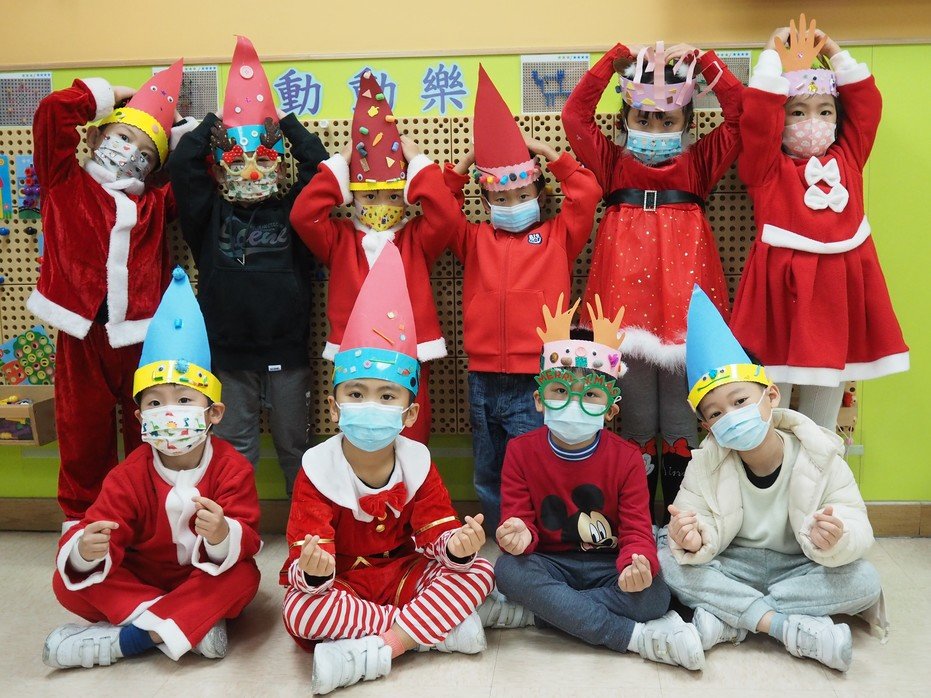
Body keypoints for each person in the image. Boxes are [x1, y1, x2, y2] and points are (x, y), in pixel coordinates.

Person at [279, 243, 494, 694]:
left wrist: (458, 546)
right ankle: (433, 630)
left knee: (480, 571)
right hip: (342, 585)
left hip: (404, 574)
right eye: (356, 394)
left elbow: (437, 533)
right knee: (300, 611)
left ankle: (384, 647)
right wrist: (314, 570)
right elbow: (305, 558)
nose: (370, 405)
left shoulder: (417, 462)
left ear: (409, 414)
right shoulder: (317, 469)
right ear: (334, 407)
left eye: (387, 396)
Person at [658, 284, 885, 672]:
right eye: (715, 413)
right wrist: (692, 538)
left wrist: (837, 536)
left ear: (772, 396)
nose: (730, 416)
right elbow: (695, 521)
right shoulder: (705, 463)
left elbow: (856, 522)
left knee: (865, 580)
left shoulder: (818, 453)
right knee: (667, 563)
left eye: (740, 401)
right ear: (707, 426)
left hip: (799, 566)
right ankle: (782, 627)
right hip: (733, 564)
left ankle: (733, 619)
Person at [562, 41, 743, 523]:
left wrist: (707, 62)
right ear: (626, 119)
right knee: (637, 414)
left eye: (667, 121)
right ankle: (640, 522)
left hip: (685, 302)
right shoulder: (612, 162)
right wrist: (612, 61)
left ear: (686, 122)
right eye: (643, 120)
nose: (655, 130)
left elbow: (742, 117)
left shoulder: (699, 162)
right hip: (625, 302)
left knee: (684, 415)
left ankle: (683, 520)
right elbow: (575, 118)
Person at [44, 268, 262, 669]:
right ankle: (185, 623)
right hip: (140, 580)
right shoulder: (128, 475)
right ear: (140, 416)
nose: (170, 412)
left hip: (201, 577)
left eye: (184, 400)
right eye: (156, 403)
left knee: (244, 578)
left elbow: (246, 538)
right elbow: (99, 530)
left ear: (214, 413)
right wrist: (88, 551)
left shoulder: (232, 469)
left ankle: (128, 641)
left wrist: (222, 535)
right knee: (67, 582)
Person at [492, 295, 704, 670]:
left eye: (590, 395)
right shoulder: (520, 452)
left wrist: (637, 563)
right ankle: (632, 637)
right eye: (560, 391)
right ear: (539, 400)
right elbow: (519, 520)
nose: (574, 402)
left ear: (610, 410)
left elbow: (637, 529)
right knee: (507, 570)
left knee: (655, 595)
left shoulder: (627, 458)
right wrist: (519, 534)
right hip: (550, 563)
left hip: (607, 565)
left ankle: (542, 612)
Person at [27, 61, 196, 526]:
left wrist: (182, 133)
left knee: (152, 429)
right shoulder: (64, 180)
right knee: (82, 431)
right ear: (97, 137)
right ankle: (84, 520)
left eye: (146, 152)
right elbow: (51, 115)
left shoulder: (154, 204)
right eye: (123, 138)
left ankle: (150, 517)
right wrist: (103, 95)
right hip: (80, 336)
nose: (130, 153)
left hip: (143, 339)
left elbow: (194, 176)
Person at [730, 15, 908, 429]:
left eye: (825, 111)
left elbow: (867, 108)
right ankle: (771, 468)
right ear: (782, 118)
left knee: (822, 420)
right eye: (798, 112)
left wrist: (835, 52)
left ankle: (822, 469)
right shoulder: (766, 168)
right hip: (781, 296)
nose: (814, 122)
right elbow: (758, 120)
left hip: (838, 294)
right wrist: (771, 59)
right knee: (770, 410)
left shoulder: (849, 157)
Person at [444, 66, 601, 534]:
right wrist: (464, 164)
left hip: (537, 374)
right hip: (482, 378)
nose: (512, 204)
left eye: (522, 194)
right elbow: (439, 209)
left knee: (534, 466)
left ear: (538, 192)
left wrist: (551, 155)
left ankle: (537, 535)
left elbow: (587, 193)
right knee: (487, 470)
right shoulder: (473, 240)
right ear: (486, 202)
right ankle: (500, 537)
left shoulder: (558, 237)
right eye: (502, 198)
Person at [169, 36, 328, 494]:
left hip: (286, 352)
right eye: (239, 163)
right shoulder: (207, 216)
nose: (253, 172)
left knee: (295, 447)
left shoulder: (293, 213)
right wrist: (213, 123)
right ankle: (236, 522)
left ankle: (306, 524)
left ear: (279, 168)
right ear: (220, 170)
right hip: (229, 355)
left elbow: (321, 169)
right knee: (234, 448)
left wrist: (286, 125)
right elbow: (183, 167)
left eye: (263, 161)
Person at [290, 70, 462, 445]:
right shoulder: (339, 239)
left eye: (392, 196)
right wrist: (340, 163)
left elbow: (447, 217)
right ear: (352, 196)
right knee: (357, 430)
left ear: (406, 197)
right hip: (353, 351)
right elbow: (303, 215)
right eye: (370, 196)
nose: (381, 204)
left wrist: (418, 164)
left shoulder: (416, 238)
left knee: (412, 427)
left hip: (408, 349)